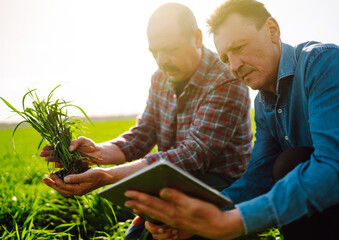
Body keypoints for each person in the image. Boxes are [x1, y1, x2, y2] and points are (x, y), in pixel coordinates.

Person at [124, 0, 339, 239]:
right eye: (225, 58)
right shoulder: (264, 103)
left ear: (272, 30)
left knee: (291, 163)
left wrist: (233, 221)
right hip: (336, 210)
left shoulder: (324, 64)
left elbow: (336, 168)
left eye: (240, 47)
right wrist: (195, 219)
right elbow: (259, 175)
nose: (234, 66)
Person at [40, 2, 253, 240]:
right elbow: (143, 134)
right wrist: (95, 153)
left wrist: (106, 176)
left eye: (170, 49)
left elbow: (194, 154)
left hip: (223, 188)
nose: (162, 60)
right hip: (171, 183)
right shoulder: (160, 78)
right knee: (137, 237)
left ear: (196, 38)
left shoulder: (226, 80)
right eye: (154, 52)